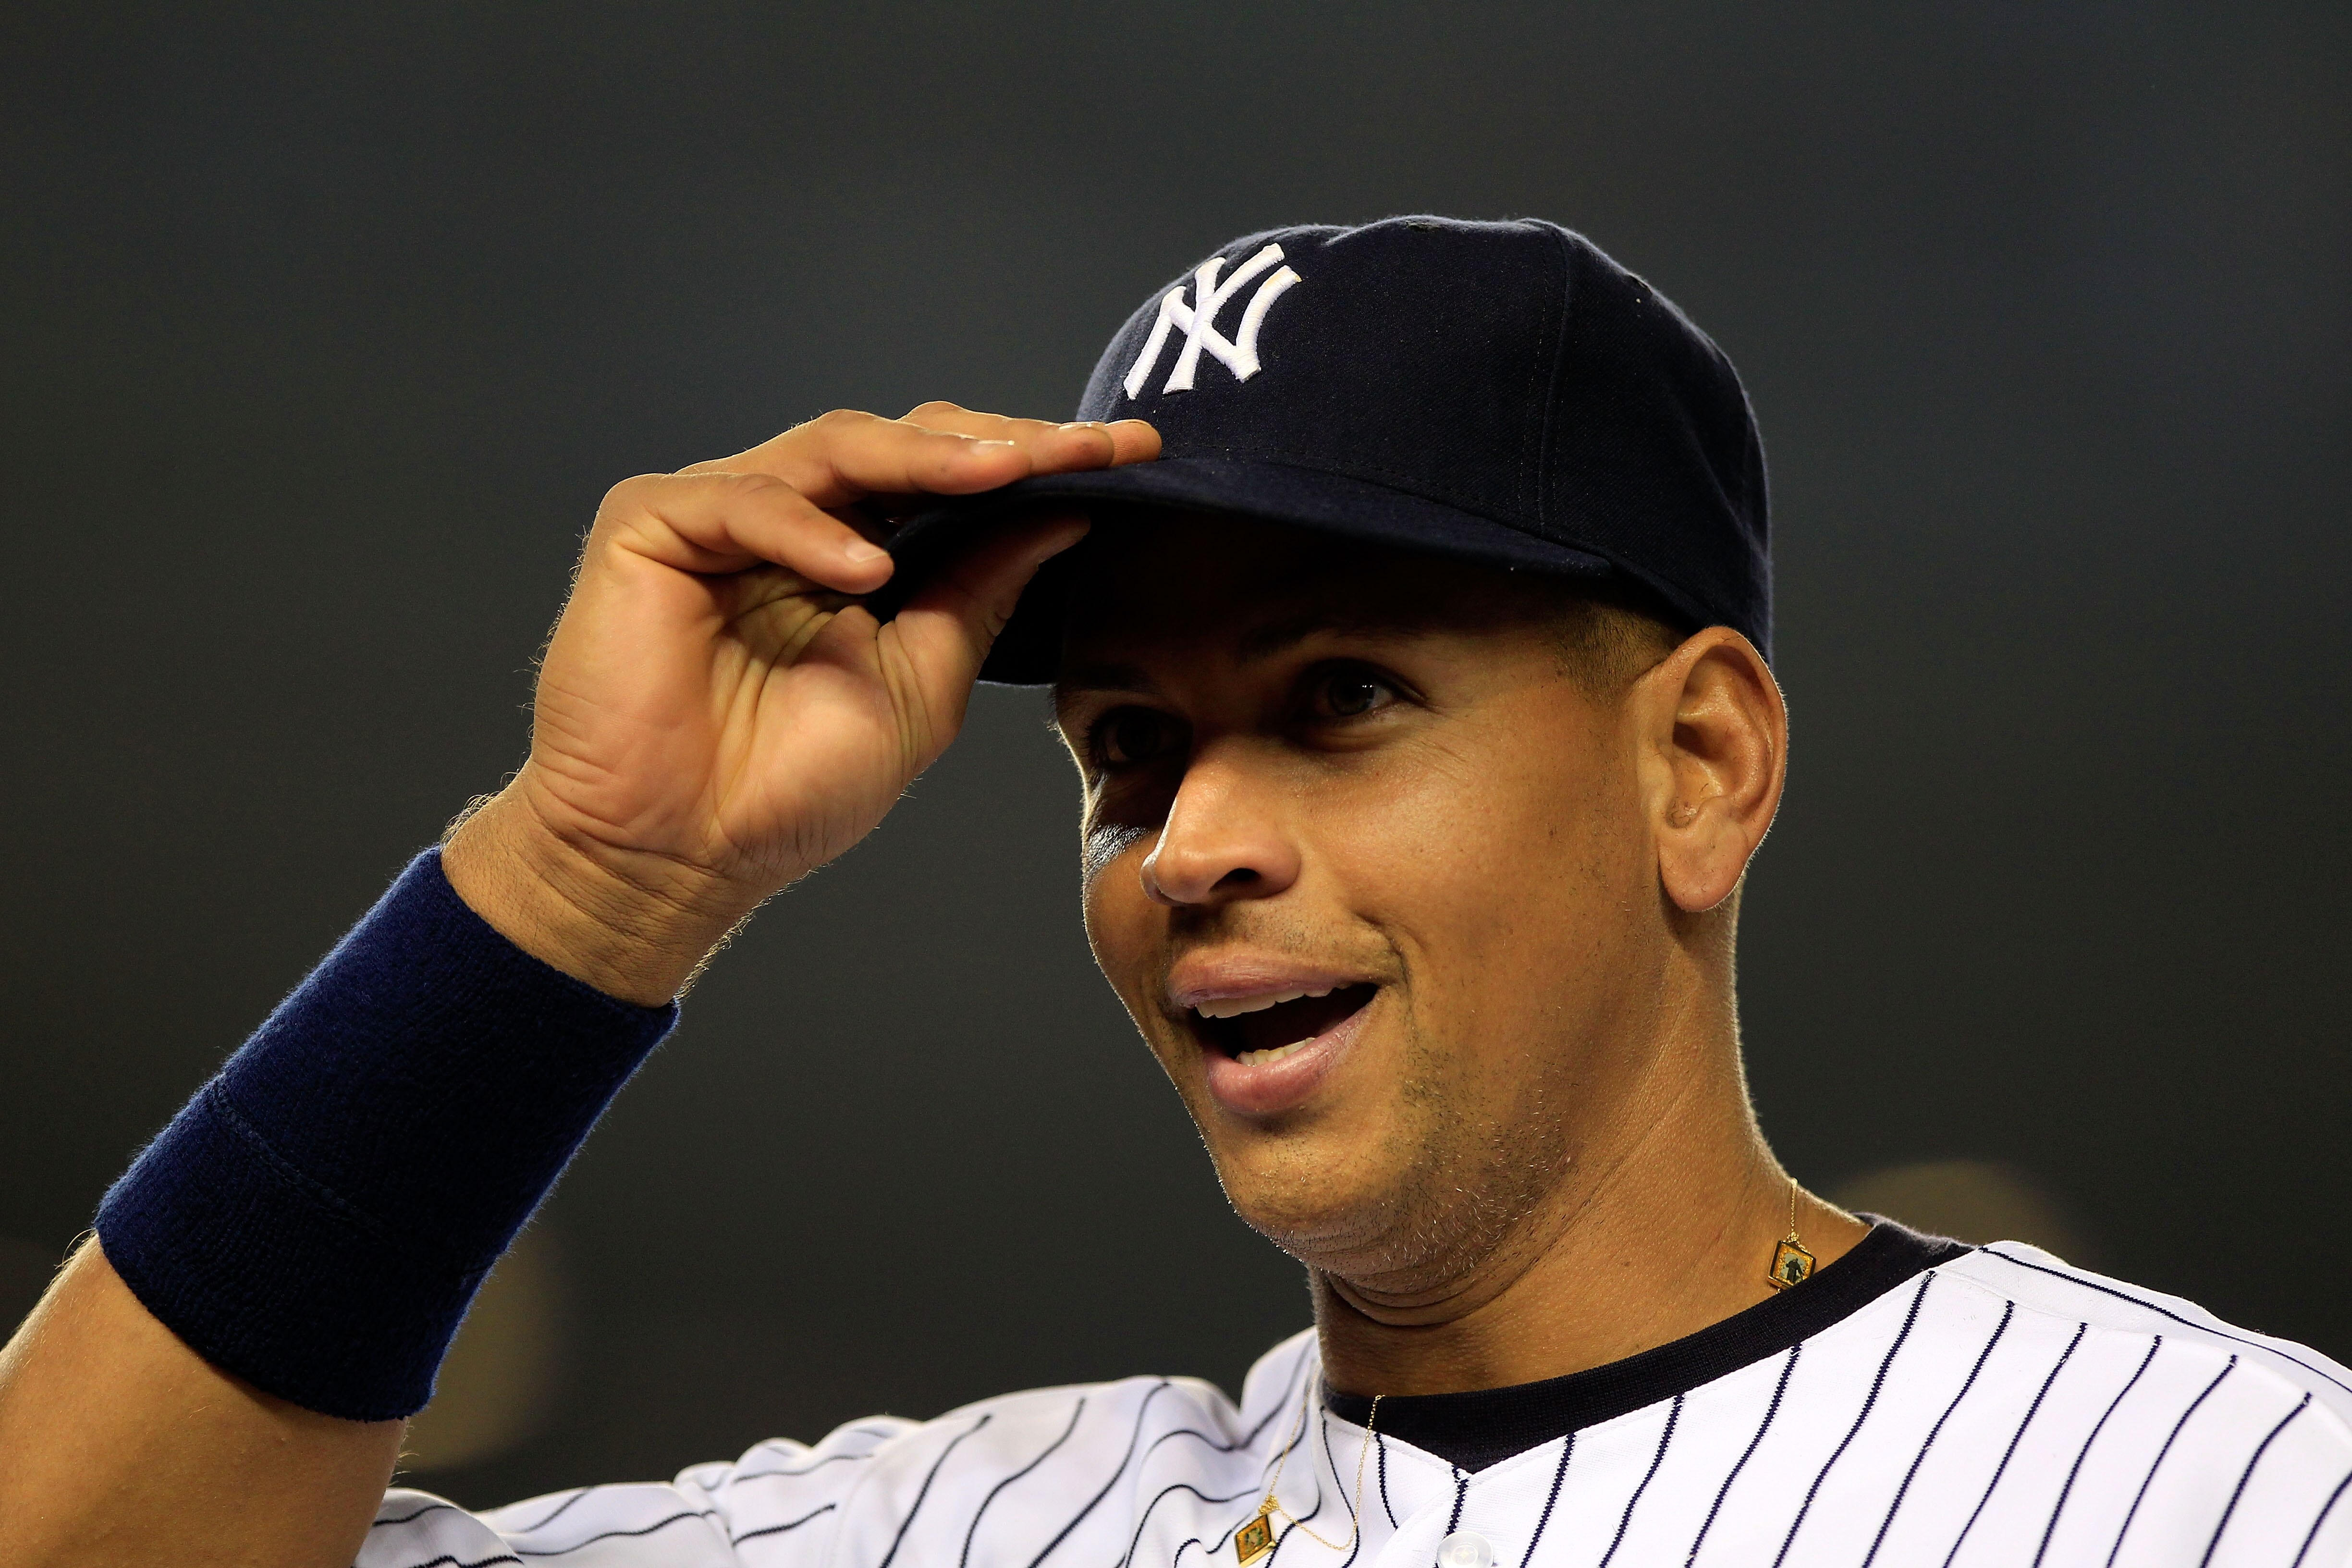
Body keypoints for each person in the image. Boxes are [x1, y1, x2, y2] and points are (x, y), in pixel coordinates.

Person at [1, 217, 2345, 1568]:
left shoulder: (2233, 1497)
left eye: (1339, 696)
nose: (1190, 836)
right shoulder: (981, 1531)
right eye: (1127, 748)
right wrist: (588, 879)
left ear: (1700, 764)